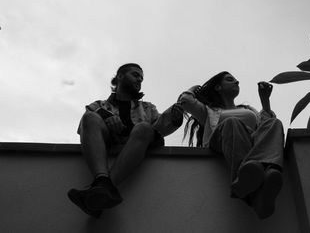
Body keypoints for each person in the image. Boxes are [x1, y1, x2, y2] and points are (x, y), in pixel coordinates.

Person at [68, 63, 183, 218]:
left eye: (141, 78)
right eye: (135, 75)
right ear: (120, 76)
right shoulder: (98, 105)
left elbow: (158, 129)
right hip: (108, 142)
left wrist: (174, 116)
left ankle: (102, 188)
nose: (139, 80)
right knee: (89, 117)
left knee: (143, 127)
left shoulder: (148, 108)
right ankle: (102, 182)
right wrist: (106, 117)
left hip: (139, 141)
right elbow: (87, 124)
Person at [178, 71, 284, 219]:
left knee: (274, 122)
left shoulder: (249, 109)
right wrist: (194, 88)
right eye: (230, 80)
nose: (236, 82)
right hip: (222, 140)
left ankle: (265, 179)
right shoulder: (208, 110)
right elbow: (185, 101)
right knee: (232, 122)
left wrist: (265, 101)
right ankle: (244, 174)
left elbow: (265, 125)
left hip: (251, 143)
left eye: (236, 80)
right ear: (218, 87)